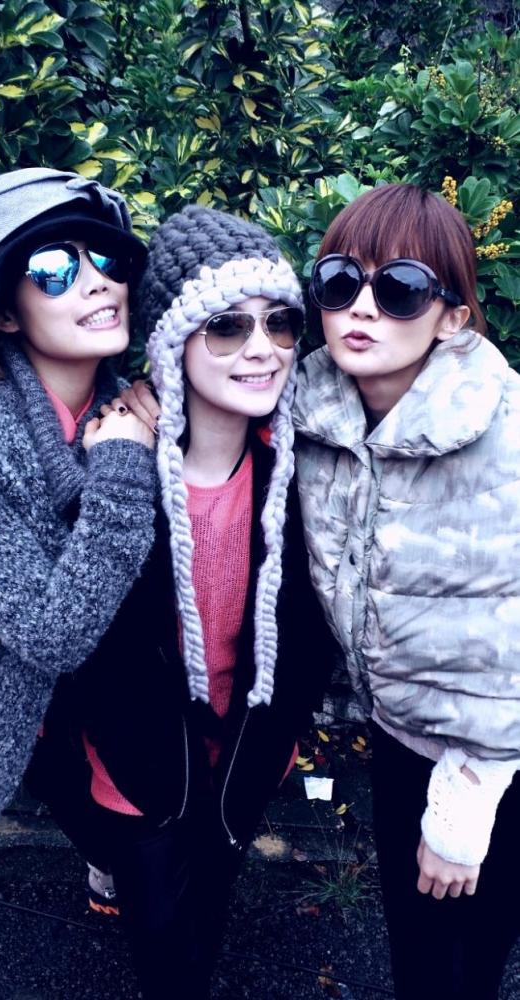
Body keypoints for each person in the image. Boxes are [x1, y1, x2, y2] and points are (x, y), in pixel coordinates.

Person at [31, 205, 331, 999]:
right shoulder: (108, 467)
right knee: (171, 956)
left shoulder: (305, 474)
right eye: (226, 327)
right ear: (171, 342)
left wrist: (277, 731)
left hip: (244, 758)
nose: (261, 348)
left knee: (210, 904)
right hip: (137, 769)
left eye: (279, 323)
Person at [291, 183, 520, 1000]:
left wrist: (464, 805)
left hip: (493, 757)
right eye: (339, 281)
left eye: (399, 288)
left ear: (451, 316)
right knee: (417, 959)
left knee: (463, 962)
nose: (362, 307)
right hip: (397, 732)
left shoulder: (502, 435)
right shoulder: (315, 412)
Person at [0, 167, 157, 921]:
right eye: (53, 268)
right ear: (6, 314)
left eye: (105, 258)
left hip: (60, 721)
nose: (96, 281)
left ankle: (108, 856)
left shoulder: (128, 408)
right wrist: (122, 468)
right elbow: (55, 633)